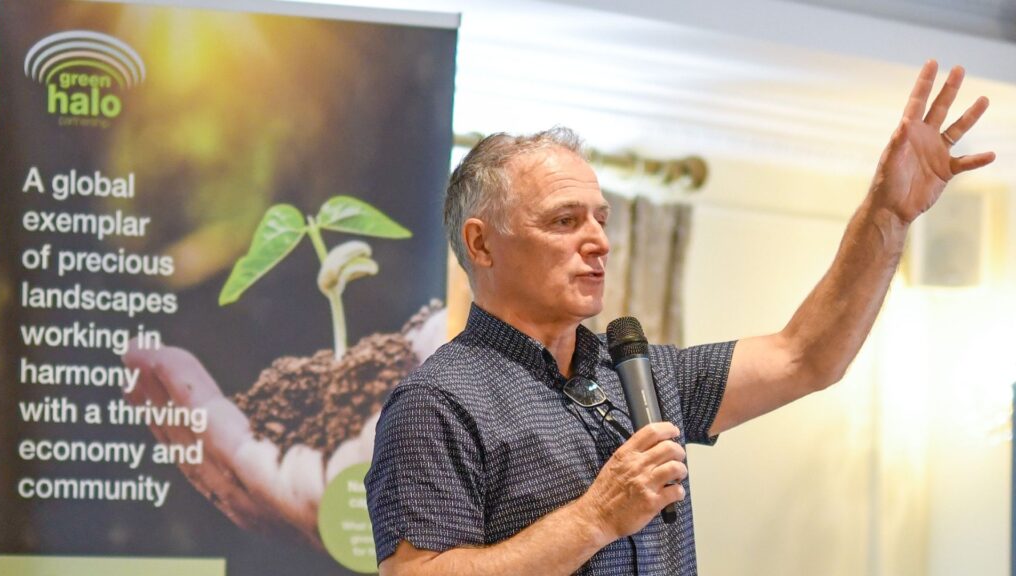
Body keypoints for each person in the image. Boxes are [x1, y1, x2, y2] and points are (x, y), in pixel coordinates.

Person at [363, 60, 995, 576]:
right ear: (481, 245)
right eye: (564, 220)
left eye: (600, 219)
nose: (599, 241)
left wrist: (889, 212)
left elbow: (808, 355)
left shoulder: (642, 374)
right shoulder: (437, 402)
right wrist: (597, 518)